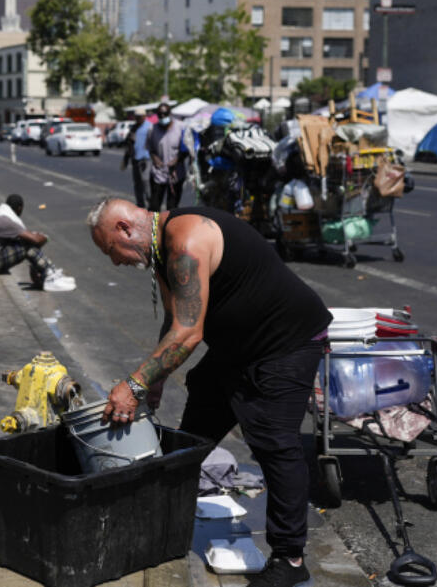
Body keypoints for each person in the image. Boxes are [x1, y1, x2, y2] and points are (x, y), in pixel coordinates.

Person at [87, 199, 331, 587]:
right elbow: (175, 316)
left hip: (285, 342)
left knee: (273, 439)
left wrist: (134, 384)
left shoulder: (185, 242)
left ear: (123, 229)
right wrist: (157, 376)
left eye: (109, 251)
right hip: (237, 346)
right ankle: (167, 520)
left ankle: (290, 560)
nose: (114, 262)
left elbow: (188, 332)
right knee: (197, 421)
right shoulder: (160, 246)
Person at [0, 194, 75, 291]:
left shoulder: (1, 216)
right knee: (27, 246)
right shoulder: (6, 221)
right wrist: (45, 237)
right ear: (20, 208)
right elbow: (35, 239)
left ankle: (45, 273)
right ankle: (48, 273)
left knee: (26, 243)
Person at [146, 102, 185, 211]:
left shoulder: (181, 127)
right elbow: (150, 149)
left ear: (170, 113)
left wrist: (176, 160)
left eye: (165, 114)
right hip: (158, 174)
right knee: (154, 207)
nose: (162, 117)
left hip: (175, 174)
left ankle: (167, 228)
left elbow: (186, 150)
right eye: (160, 114)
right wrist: (155, 159)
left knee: (171, 208)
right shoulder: (152, 129)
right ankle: (153, 228)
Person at [120, 111, 151, 208]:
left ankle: (151, 203)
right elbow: (128, 144)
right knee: (137, 183)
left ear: (144, 116)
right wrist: (125, 159)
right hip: (135, 159)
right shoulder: (133, 128)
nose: (138, 119)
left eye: (140, 117)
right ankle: (140, 205)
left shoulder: (150, 127)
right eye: (136, 117)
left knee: (145, 180)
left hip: (147, 159)